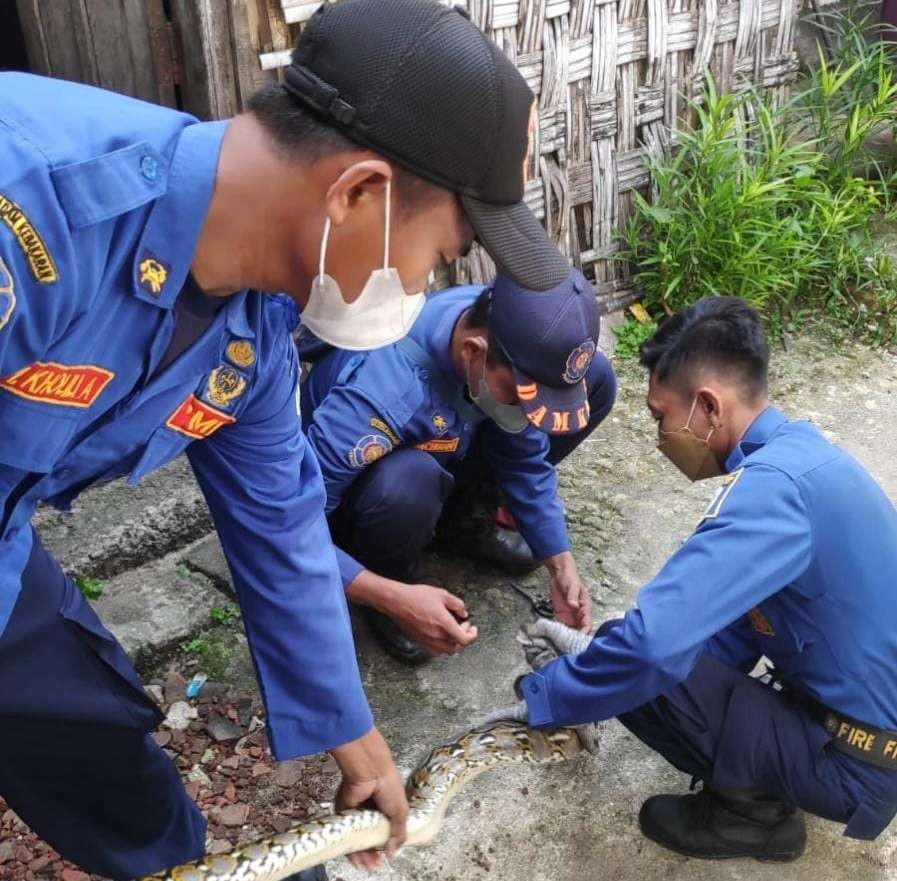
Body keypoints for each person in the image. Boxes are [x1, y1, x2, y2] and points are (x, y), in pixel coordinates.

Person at [0, 1, 572, 878]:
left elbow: (283, 528)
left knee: (104, 746)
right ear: (360, 194)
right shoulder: (36, 207)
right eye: (444, 254)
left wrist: (356, 738)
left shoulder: (253, 334)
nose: (429, 285)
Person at [493, 296, 897, 861]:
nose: (660, 437)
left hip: (858, 766)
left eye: (661, 417)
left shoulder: (772, 494)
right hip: (865, 734)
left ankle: (755, 818)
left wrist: (549, 698)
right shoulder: (799, 458)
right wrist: (593, 654)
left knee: (638, 655)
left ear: (707, 406)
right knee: (626, 650)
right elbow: (734, 627)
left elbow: (656, 647)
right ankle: (764, 766)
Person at [300, 269, 616, 664]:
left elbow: (524, 454)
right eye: (520, 397)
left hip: (447, 442)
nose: (527, 410)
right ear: (472, 351)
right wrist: (391, 598)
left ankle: (460, 518)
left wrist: (560, 562)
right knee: (408, 482)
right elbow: (291, 525)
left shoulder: (500, 329)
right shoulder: (380, 395)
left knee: (599, 379)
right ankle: (388, 577)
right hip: (361, 491)